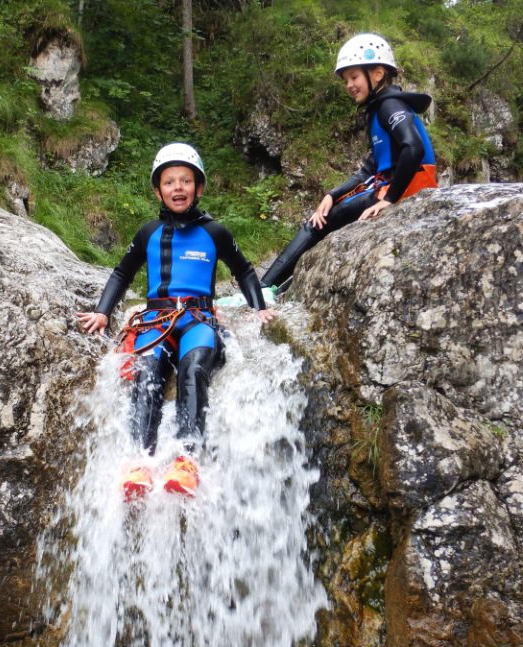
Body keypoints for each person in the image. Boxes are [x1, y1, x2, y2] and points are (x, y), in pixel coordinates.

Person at [77, 142, 277, 499]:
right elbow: (122, 273)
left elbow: (245, 271)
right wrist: (102, 311)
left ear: (198, 188)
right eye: (169, 182)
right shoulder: (148, 233)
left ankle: (186, 460)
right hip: (157, 320)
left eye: (186, 180)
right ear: (159, 190)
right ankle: (138, 462)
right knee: (147, 369)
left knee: (194, 368)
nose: (178, 188)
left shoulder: (215, 232)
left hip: (199, 319)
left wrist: (258, 307)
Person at [260, 33, 438, 294]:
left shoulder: (390, 106)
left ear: (377, 74)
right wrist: (331, 195)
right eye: (346, 80)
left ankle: (263, 289)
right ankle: (275, 288)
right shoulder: (379, 109)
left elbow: (413, 147)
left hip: (408, 189)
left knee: (320, 222)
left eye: (354, 77)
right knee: (328, 212)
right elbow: (369, 169)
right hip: (395, 185)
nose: (349, 85)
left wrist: (389, 199)